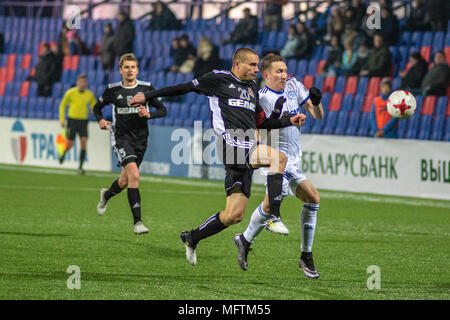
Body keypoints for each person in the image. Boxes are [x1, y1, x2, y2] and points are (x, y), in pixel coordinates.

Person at [130, 48, 309, 266]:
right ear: (237, 64)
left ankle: (191, 238)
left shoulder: (252, 88)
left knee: (233, 215)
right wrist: (147, 96)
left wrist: (288, 121)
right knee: (278, 159)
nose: (256, 70)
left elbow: (261, 123)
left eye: (256, 66)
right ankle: (274, 217)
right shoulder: (218, 79)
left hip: (246, 145)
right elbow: (183, 87)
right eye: (252, 65)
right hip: (231, 144)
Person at [234, 53, 324, 278]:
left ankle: (244, 239)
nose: (284, 75)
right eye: (279, 71)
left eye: (285, 70)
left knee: (310, 200)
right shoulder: (261, 98)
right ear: (266, 75)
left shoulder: (294, 85)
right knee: (273, 205)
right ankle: (306, 256)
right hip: (277, 159)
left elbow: (318, 115)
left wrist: (317, 101)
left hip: (294, 159)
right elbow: (258, 132)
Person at [93, 53, 167, 234]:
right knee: (134, 175)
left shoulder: (146, 88)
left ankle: (106, 194)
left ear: (137, 70)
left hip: (141, 140)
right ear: (120, 70)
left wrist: (149, 114)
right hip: (121, 138)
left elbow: (163, 110)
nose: (130, 70)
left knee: (125, 180)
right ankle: (138, 222)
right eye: (126, 67)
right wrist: (101, 120)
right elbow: (96, 108)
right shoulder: (112, 90)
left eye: (133, 67)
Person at [58, 74, 97, 174]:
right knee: (70, 144)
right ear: (77, 83)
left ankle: (80, 167)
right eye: (81, 82)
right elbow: (62, 106)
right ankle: (63, 154)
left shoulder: (89, 94)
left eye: (84, 82)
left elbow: (94, 105)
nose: (83, 84)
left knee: (83, 141)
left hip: (83, 121)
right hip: (73, 120)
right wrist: (62, 120)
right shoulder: (70, 93)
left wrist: (94, 110)